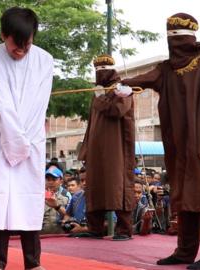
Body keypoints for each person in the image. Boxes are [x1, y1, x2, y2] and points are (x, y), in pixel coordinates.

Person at [120, 13, 200, 269]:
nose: (176, 45)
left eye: (180, 38)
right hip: (178, 147)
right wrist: (121, 84)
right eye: (172, 39)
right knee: (185, 200)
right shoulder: (166, 68)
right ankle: (185, 252)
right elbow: (145, 79)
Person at [0, 6, 53, 270]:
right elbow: (3, 105)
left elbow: (38, 105)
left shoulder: (45, 60)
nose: (20, 51)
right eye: (15, 46)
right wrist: (14, 142)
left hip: (32, 139)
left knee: (29, 199)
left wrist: (25, 142)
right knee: (0, 201)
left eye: (27, 45)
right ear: (2, 35)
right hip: (0, 139)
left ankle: (33, 263)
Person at [77, 54, 135, 241]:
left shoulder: (123, 89)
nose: (99, 73)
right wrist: (86, 149)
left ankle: (124, 230)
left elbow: (117, 111)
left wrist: (101, 98)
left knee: (117, 184)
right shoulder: (98, 90)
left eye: (103, 69)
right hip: (96, 148)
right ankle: (95, 228)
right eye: (97, 70)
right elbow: (92, 123)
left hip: (116, 148)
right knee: (95, 185)